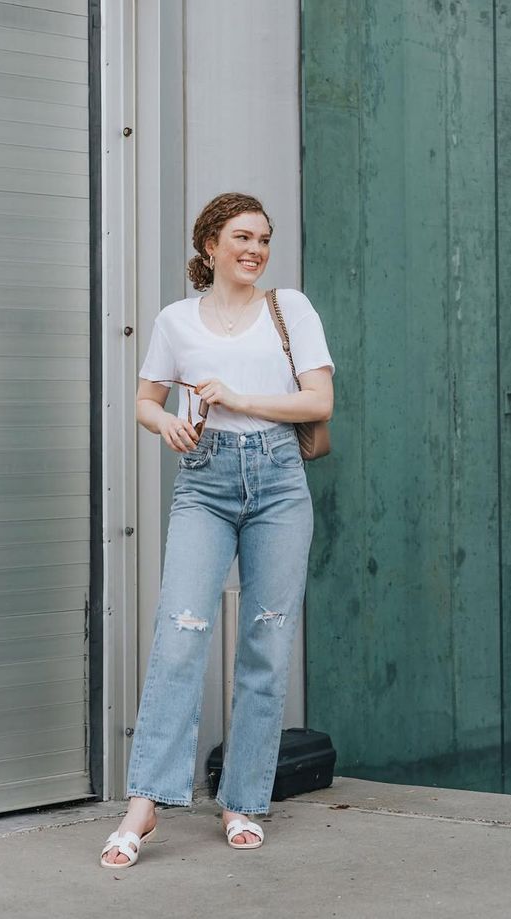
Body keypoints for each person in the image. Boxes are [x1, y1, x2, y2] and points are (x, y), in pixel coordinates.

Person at [100, 192, 335, 867]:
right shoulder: (176, 321)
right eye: (241, 236)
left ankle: (242, 800)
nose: (255, 249)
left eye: (263, 238)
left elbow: (319, 400)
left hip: (279, 478)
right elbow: (147, 399)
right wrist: (165, 421)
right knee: (180, 635)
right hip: (204, 481)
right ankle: (145, 804)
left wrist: (239, 397)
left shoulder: (290, 310)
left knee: (265, 639)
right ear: (209, 245)